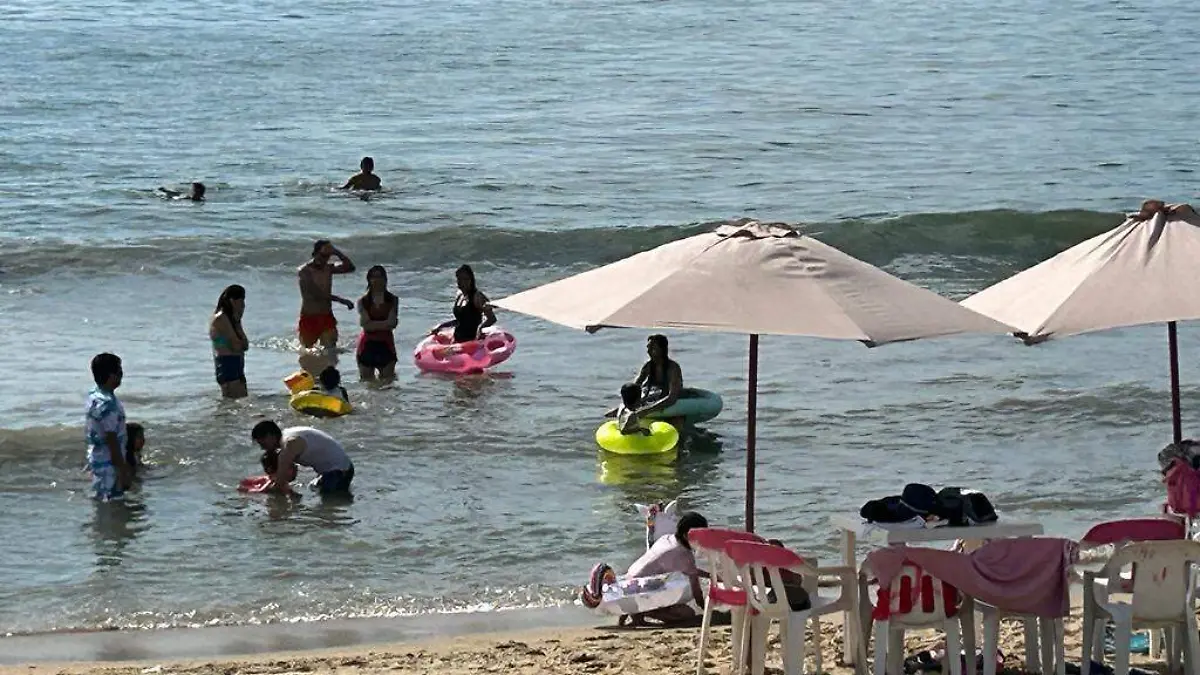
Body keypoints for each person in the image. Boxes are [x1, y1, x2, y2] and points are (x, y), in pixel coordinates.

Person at [621, 511, 709, 627]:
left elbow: (688, 569)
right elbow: (697, 591)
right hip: (641, 591)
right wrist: (707, 610)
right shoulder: (684, 555)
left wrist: (709, 575)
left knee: (659, 582)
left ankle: (634, 612)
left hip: (629, 582)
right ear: (687, 535)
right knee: (687, 613)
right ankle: (641, 611)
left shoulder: (667, 538)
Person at [251, 421, 355, 496]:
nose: (262, 448)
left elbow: (281, 482)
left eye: (262, 443)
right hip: (332, 470)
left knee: (330, 502)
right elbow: (287, 476)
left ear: (270, 436)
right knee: (313, 488)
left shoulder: (290, 444)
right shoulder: (287, 436)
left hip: (340, 470)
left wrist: (257, 492)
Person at [297, 240, 356, 360]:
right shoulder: (304, 271)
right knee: (308, 355)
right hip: (309, 317)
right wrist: (341, 300)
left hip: (326, 316)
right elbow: (316, 294)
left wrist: (336, 252)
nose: (324, 259)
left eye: (327, 256)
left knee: (330, 353)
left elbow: (350, 267)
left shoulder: (328, 268)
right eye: (322, 255)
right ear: (315, 253)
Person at [86, 353, 132, 502]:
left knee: (101, 498)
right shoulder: (108, 406)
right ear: (111, 376)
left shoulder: (94, 395)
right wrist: (122, 470)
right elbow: (111, 440)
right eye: (119, 372)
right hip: (109, 464)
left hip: (97, 458)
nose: (122, 375)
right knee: (112, 502)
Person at [430, 264, 496, 344]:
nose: (462, 282)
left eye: (466, 279)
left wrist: (480, 329)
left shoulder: (477, 296)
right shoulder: (460, 295)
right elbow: (461, 321)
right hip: (457, 340)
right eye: (460, 279)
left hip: (472, 343)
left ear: (471, 280)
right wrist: (441, 326)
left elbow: (492, 318)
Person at [356, 265, 398, 382]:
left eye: (380, 277)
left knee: (388, 384)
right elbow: (365, 325)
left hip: (386, 345)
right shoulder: (363, 301)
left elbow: (392, 323)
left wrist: (373, 324)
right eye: (373, 277)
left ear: (385, 279)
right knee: (367, 384)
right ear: (369, 279)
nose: (377, 280)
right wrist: (384, 324)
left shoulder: (392, 299)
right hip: (367, 345)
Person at [210, 284, 249, 398]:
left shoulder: (233, 320)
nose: (243, 306)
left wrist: (238, 322)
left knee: (240, 402)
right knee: (233, 403)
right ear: (232, 301)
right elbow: (236, 346)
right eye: (241, 302)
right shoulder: (221, 318)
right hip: (227, 364)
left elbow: (245, 345)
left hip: (237, 363)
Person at [634, 334, 684, 421]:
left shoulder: (673, 368)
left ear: (662, 349)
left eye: (652, 348)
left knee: (677, 421)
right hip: (655, 396)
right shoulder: (648, 366)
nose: (648, 351)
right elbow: (635, 387)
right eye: (648, 348)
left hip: (672, 401)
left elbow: (672, 398)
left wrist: (646, 410)